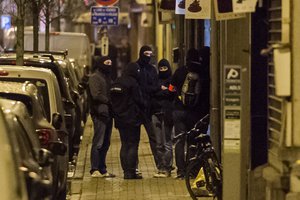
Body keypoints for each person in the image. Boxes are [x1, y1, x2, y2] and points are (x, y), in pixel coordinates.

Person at [169, 47, 210, 179]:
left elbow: (171, 89)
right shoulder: (203, 73)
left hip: (179, 111)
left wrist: (175, 96)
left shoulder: (180, 72)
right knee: (193, 141)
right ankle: (191, 171)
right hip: (196, 113)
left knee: (180, 141)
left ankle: (180, 171)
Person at [110, 62, 144, 179]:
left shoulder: (117, 82)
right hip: (132, 118)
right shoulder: (133, 83)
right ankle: (131, 171)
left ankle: (125, 172)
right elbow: (139, 100)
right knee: (133, 144)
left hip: (120, 119)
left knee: (124, 144)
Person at [88, 56, 115, 178]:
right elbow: (96, 95)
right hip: (100, 113)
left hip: (108, 113)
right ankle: (94, 169)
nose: (109, 65)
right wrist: (108, 100)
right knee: (98, 142)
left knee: (106, 142)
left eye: (111, 62)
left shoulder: (107, 77)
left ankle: (102, 168)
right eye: (107, 62)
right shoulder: (95, 77)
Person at [136, 45, 161, 172]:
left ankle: (159, 164)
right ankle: (134, 167)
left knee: (154, 138)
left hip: (149, 109)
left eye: (150, 54)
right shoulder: (136, 68)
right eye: (146, 53)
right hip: (136, 109)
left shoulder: (152, 69)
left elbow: (154, 86)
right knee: (134, 140)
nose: (148, 56)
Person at [151, 58, 175, 178]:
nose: (163, 70)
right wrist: (161, 90)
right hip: (156, 113)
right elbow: (152, 92)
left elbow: (171, 94)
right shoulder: (156, 80)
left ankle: (167, 168)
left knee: (167, 143)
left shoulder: (171, 80)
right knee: (159, 144)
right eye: (161, 68)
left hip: (167, 114)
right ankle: (160, 167)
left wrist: (160, 91)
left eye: (165, 68)